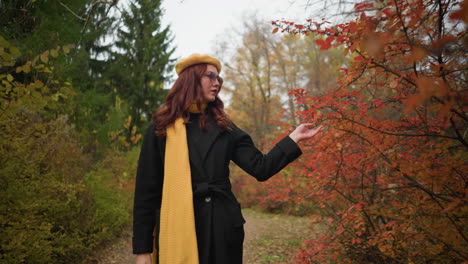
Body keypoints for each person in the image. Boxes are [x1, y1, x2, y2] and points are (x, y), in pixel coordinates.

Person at [133, 54, 322, 264]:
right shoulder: (161, 128)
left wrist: (293, 138)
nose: (217, 83)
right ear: (191, 79)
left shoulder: (225, 127)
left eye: (219, 79)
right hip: (180, 228)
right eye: (211, 77)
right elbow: (146, 193)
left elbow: (261, 167)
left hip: (223, 228)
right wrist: (143, 250)